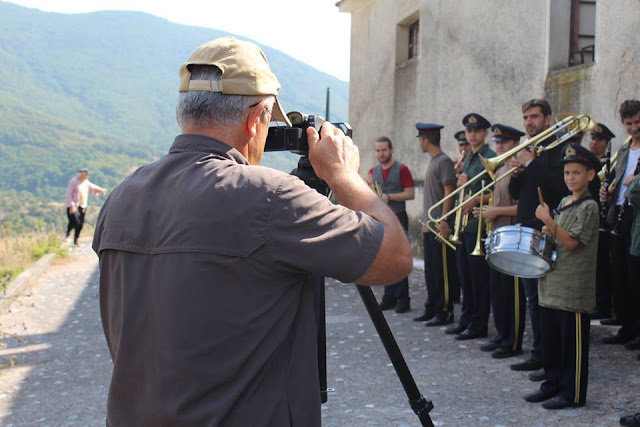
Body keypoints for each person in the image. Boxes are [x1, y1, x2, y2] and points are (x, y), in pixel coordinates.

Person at [92, 37, 412, 426]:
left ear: (183, 115)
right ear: (255, 117)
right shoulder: (270, 197)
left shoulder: (122, 197)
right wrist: (343, 176)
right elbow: (394, 257)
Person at [524, 143, 600, 410]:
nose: (570, 178)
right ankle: (552, 384)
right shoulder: (564, 202)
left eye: (577, 173)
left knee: (573, 347)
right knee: (553, 343)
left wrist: (551, 223)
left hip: (573, 289)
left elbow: (572, 243)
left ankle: (573, 393)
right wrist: (548, 230)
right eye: (567, 172)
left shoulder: (588, 206)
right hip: (552, 284)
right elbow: (558, 237)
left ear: (589, 175)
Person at [507, 99, 568, 373]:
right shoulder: (529, 149)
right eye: (526, 118)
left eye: (534, 117)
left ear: (548, 118)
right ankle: (540, 352)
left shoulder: (558, 148)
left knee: (544, 297)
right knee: (532, 296)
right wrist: (518, 173)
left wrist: (531, 165)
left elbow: (560, 185)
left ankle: (550, 356)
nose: (529, 122)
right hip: (525, 225)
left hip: (545, 228)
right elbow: (517, 193)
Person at [475, 124, 525, 358]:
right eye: (497, 142)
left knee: (511, 292)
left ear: (515, 143)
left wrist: (495, 212)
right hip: (498, 234)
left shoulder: (518, 171)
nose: (499, 147)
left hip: (513, 234)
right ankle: (502, 335)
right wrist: (488, 211)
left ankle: (512, 341)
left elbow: (522, 207)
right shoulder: (501, 168)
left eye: (503, 142)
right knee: (498, 290)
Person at [447, 113, 495, 340]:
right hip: (465, 227)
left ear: (485, 133)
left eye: (476, 131)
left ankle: (479, 323)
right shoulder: (467, 158)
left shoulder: (490, 157)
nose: (472, 135)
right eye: (469, 131)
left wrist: (476, 199)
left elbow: (497, 192)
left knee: (478, 280)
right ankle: (466, 318)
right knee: (465, 277)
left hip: (479, 225)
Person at [602, 100, 640, 349]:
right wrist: (610, 190)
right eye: (629, 124)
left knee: (636, 277)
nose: (635, 128)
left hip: (637, 215)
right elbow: (619, 181)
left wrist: (632, 181)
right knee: (621, 276)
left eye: (638, 122)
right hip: (621, 214)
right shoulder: (625, 149)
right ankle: (627, 327)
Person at [413, 123, 457, 326]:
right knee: (431, 271)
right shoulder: (434, 161)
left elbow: (449, 193)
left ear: (426, 140)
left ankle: (445, 311)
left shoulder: (444, 162)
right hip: (429, 226)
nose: (420, 142)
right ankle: (432, 307)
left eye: (420, 139)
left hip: (439, 227)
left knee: (442, 273)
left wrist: (444, 220)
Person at [367, 136, 415, 313]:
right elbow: (369, 196)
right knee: (385, 257)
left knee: (400, 257)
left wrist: (389, 197)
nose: (381, 154)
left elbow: (410, 194)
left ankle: (404, 299)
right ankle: (389, 297)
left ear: (391, 149)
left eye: (384, 150)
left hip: (399, 216)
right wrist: (371, 186)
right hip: (381, 218)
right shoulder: (373, 171)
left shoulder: (402, 169)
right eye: (378, 151)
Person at [588, 123, 616, 320]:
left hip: (605, 220)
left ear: (606, 143)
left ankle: (604, 304)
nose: (594, 142)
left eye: (598, 139)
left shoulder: (609, 164)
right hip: (592, 218)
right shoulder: (587, 162)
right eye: (592, 138)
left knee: (604, 265)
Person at [65, 168, 107, 245]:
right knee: (74, 222)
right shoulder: (73, 182)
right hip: (74, 205)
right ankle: (68, 234)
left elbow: (93, 187)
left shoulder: (85, 182)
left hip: (83, 206)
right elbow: (69, 193)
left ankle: (76, 239)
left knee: (80, 223)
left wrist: (101, 190)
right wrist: (71, 205)